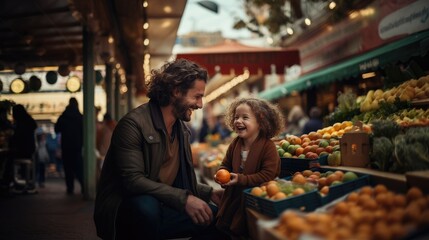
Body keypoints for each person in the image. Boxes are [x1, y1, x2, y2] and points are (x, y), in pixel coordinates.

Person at [94, 58, 225, 240]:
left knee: (217, 219)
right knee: (147, 207)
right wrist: (184, 199)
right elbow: (133, 182)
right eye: (196, 96)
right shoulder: (133, 125)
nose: (200, 104)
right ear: (176, 91)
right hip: (124, 210)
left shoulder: (181, 130)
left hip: (161, 204)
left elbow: (178, 180)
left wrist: (209, 193)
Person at [214, 97, 284, 238]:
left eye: (245, 117)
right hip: (233, 198)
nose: (238, 121)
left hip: (255, 202)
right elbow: (225, 164)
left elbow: (267, 175)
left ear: (260, 120)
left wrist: (240, 179)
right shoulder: (235, 144)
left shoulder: (268, 146)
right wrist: (221, 174)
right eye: (236, 117)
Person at [55, 97, 83, 195]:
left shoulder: (63, 116)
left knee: (68, 169)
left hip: (66, 147)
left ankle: (70, 189)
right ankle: (84, 188)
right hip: (77, 147)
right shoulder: (80, 117)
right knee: (79, 169)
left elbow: (56, 129)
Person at [9, 104, 38, 192]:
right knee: (25, 167)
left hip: (22, 150)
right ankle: (25, 182)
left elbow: (16, 138)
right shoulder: (29, 121)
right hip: (29, 149)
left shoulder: (20, 124)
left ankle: (11, 182)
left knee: (8, 160)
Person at [95, 112, 117, 182]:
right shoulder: (116, 126)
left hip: (104, 154)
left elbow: (98, 141)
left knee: (103, 173)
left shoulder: (103, 128)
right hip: (114, 153)